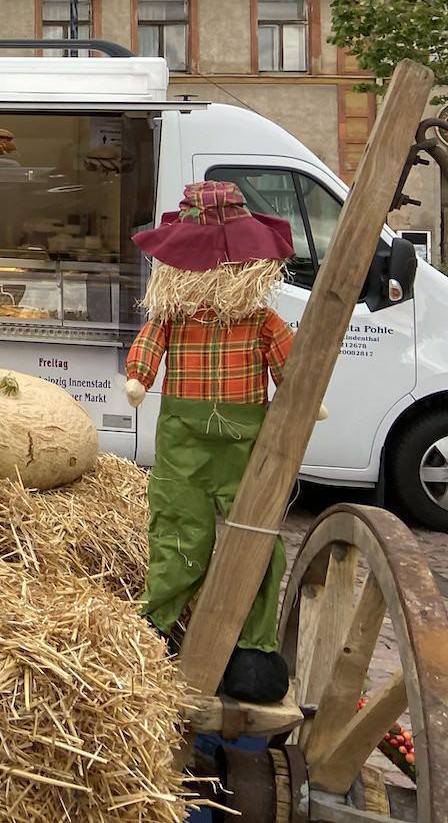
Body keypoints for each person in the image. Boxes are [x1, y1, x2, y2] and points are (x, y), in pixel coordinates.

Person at [125, 180, 314, 703]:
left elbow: (288, 358)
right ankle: (155, 625)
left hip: (244, 441)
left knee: (254, 533)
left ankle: (252, 647)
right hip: (183, 440)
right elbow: (149, 345)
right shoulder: (172, 317)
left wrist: (300, 392)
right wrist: (139, 377)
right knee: (178, 528)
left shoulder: (260, 320)